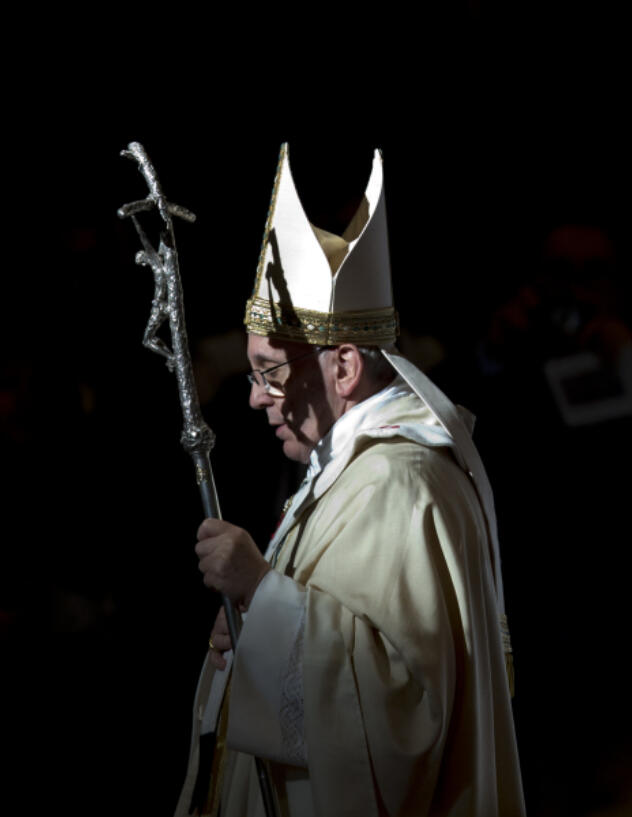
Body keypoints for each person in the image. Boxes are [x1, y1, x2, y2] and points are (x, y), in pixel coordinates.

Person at [174, 145, 525, 816]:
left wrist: (259, 591)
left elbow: (405, 715)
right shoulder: (350, 468)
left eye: (271, 371)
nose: (255, 398)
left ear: (342, 368)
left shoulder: (400, 483)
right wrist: (251, 633)